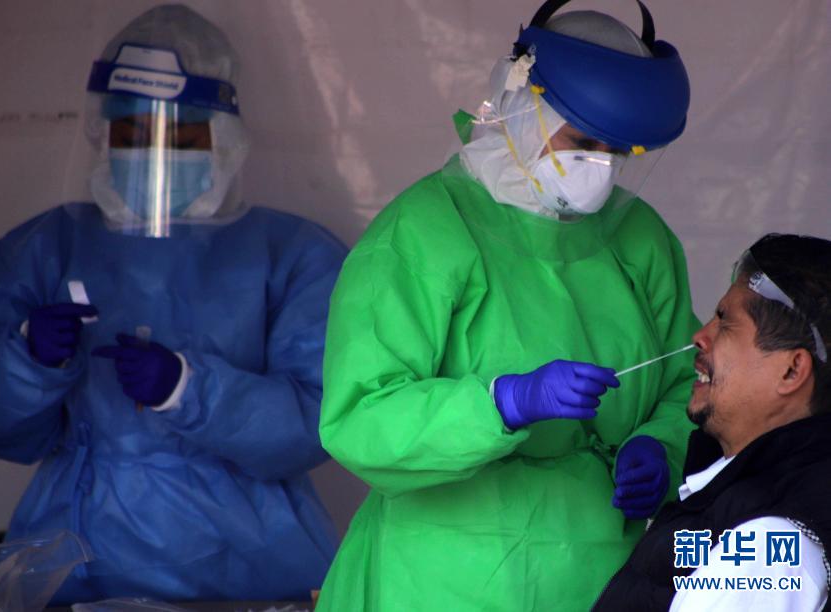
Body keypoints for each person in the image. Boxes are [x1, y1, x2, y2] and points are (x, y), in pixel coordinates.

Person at [0, 4, 346, 604]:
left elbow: (324, 422)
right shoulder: (47, 250)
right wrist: (27, 361)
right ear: (100, 136)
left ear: (225, 141)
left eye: (181, 137)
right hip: (77, 562)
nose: (154, 154)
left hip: (246, 568)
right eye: (131, 133)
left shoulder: (291, 257)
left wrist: (190, 389)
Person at [316, 0, 698, 609]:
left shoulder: (639, 239)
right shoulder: (425, 232)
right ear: (522, 105)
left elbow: (689, 378)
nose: (598, 169)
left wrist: (661, 447)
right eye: (581, 141)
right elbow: (359, 418)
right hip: (440, 580)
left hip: (600, 576)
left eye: (618, 151)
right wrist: (502, 403)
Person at [594, 233, 831, 611]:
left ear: (791, 371)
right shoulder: (742, 502)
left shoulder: (765, 551)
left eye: (725, 322)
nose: (699, 337)